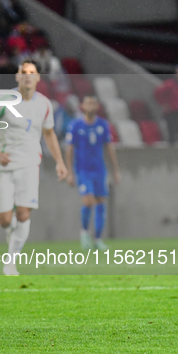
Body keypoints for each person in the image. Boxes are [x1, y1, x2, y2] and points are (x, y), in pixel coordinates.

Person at [0, 59, 67, 276]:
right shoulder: (3, 101)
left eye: (32, 72)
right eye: (23, 72)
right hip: (5, 165)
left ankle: (11, 262)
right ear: (17, 77)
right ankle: (12, 235)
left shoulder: (44, 104)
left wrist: (60, 162)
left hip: (30, 163)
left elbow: (49, 133)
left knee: (24, 214)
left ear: (37, 77)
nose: (27, 76)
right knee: (5, 219)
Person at [65, 95, 121, 251]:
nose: (90, 106)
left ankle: (98, 239)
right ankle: (84, 234)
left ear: (97, 107)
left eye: (93, 103)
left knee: (101, 203)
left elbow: (109, 148)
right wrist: (70, 172)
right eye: (88, 103)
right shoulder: (76, 125)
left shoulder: (103, 125)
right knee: (88, 201)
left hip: (99, 170)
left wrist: (115, 170)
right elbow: (69, 149)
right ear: (82, 106)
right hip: (83, 170)